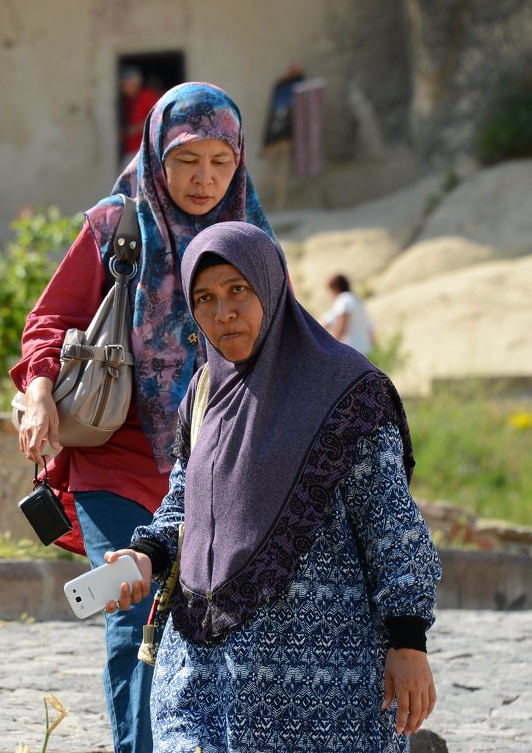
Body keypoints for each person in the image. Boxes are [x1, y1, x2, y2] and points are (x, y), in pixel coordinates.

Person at [102, 222, 442, 752]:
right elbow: (185, 501)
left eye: (239, 290)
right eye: (205, 298)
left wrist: (408, 641)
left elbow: (391, 523)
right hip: (204, 678)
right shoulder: (205, 390)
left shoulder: (348, 392)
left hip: (324, 694)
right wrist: (147, 553)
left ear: (272, 287)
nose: (223, 313)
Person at [12, 82, 275, 753]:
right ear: (158, 154)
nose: (204, 177)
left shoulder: (250, 237)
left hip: (217, 466)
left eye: (220, 160)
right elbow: (51, 318)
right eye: (188, 159)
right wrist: (40, 390)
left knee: (210, 622)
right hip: (117, 460)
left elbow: (283, 344)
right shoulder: (113, 226)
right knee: (130, 612)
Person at [323, 272, 376, 356]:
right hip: (364, 352)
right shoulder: (357, 301)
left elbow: (341, 325)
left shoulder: (344, 300)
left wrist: (332, 347)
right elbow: (370, 329)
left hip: (350, 351)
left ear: (335, 287)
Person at [118, 66, 160, 169]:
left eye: (125, 83)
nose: (122, 87)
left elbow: (155, 118)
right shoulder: (128, 101)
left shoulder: (147, 95)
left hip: (144, 150)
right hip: (131, 150)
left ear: (134, 82)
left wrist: (131, 130)